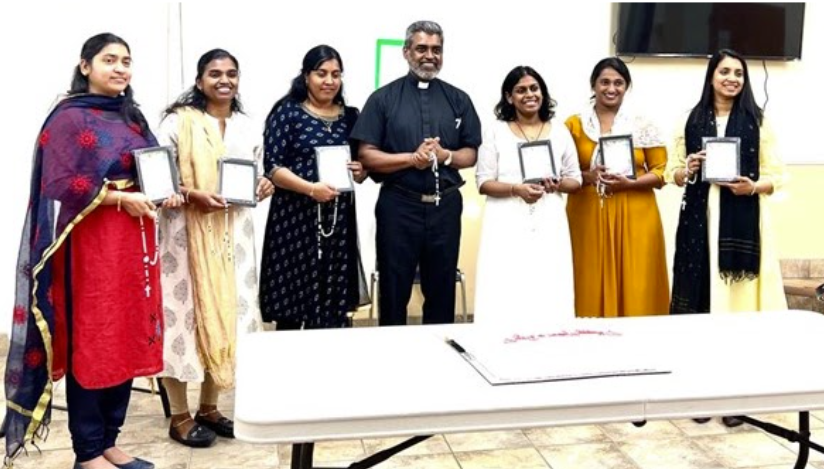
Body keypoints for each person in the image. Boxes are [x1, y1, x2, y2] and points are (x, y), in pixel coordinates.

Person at [3, 33, 182, 469]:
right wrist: (119, 198)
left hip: (134, 242)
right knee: (96, 338)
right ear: (86, 66)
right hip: (92, 245)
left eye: (126, 61)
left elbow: (152, 166)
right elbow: (60, 182)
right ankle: (87, 452)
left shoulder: (130, 114)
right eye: (110, 60)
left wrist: (167, 190)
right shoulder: (69, 117)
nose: (120, 69)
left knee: (126, 336)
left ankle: (109, 441)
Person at [665, 49, 788, 427]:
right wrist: (688, 168)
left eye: (738, 73)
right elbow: (672, 172)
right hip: (698, 225)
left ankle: (736, 397)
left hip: (742, 224)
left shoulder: (758, 121)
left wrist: (753, 186)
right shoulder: (689, 119)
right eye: (725, 71)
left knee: (736, 312)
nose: (732, 78)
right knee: (702, 308)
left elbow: (777, 174)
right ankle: (701, 393)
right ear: (711, 76)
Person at [156, 49, 272, 447]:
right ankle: (179, 415)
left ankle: (209, 407)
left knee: (227, 317)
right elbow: (158, 179)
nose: (224, 80)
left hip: (233, 237)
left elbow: (256, 174)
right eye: (215, 73)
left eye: (231, 73)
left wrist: (263, 185)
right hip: (184, 237)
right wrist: (192, 195)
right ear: (200, 80)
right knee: (183, 321)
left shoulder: (246, 125)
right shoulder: (178, 122)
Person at [350, 20, 482, 326]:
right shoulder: (383, 99)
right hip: (398, 207)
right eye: (422, 48)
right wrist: (412, 159)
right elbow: (366, 155)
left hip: (445, 206)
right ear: (406, 52)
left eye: (436, 49)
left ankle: (439, 350)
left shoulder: (458, 99)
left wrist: (445, 156)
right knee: (394, 290)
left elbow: (471, 153)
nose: (430, 56)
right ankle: (393, 351)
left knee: (442, 290)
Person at [259, 45, 368, 330]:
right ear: (306, 76)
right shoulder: (287, 113)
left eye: (336, 74)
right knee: (293, 303)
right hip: (293, 219)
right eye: (321, 73)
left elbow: (361, 165)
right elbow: (273, 167)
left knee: (334, 302)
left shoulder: (351, 116)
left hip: (337, 221)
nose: (329, 81)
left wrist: (361, 170)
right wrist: (310, 189)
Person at [474, 66, 581, 325]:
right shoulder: (495, 131)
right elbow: (483, 182)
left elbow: (576, 179)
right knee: (507, 281)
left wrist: (558, 184)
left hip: (549, 218)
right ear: (509, 97)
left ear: (543, 93)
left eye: (534, 88)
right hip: (506, 218)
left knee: (549, 280)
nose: (529, 94)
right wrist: (516, 189)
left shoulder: (560, 131)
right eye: (521, 90)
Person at [565, 57, 670, 318]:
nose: (611, 88)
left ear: (626, 87)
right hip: (587, 212)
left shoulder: (643, 124)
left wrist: (631, 183)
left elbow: (662, 171)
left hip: (637, 213)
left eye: (618, 83)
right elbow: (561, 172)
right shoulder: (574, 125)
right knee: (587, 276)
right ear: (593, 85)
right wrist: (589, 176)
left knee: (637, 279)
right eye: (604, 82)